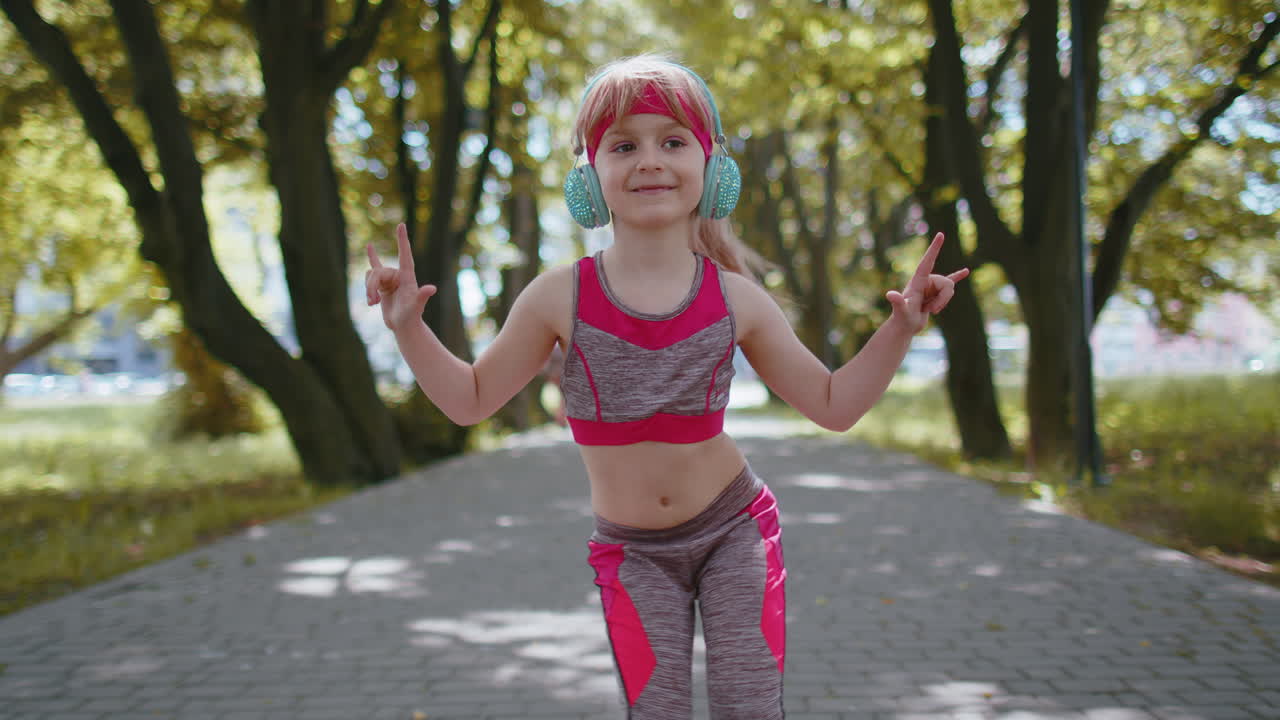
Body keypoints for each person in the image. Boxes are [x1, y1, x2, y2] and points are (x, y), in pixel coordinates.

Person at [365, 55, 968, 720]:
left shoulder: (737, 299)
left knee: (748, 707)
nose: (649, 160)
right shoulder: (556, 298)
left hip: (735, 531)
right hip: (631, 552)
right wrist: (407, 328)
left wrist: (901, 328)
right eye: (624, 146)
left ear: (713, 167)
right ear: (589, 177)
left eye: (673, 142)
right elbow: (469, 399)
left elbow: (833, 405)